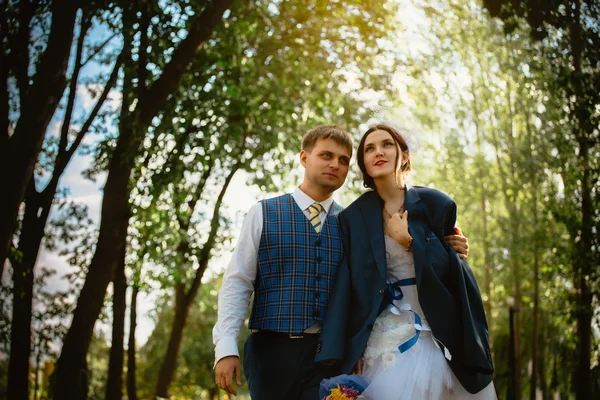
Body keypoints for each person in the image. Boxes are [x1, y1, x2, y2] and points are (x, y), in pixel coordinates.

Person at [213, 125, 470, 399]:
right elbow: (238, 282)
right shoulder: (263, 213)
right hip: (270, 352)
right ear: (304, 158)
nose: (335, 164)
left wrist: (446, 245)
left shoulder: (351, 222)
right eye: (326, 155)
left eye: (344, 160)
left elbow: (374, 283)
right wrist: (226, 347)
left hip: (330, 357)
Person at [315, 124, 495, 399]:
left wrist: (408, 242)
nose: (378, 152)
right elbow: (348, 285)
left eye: (387, 144)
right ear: (363, 162)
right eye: (369, 149)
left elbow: (453, 272)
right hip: (385, 338)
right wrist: (341, 350)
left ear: (404, 155)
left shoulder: (437, 204)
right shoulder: (352, 218)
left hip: (440, 331)